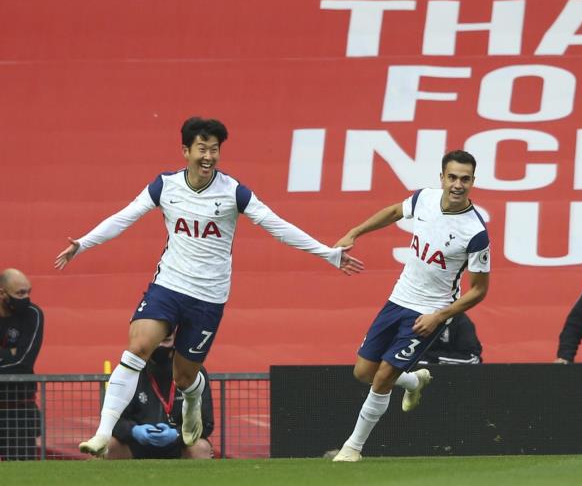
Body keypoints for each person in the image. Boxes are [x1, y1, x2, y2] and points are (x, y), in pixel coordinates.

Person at [54, 117, 364, 457]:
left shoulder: (234, 192)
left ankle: (191, 400)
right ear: (186, 151)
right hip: (168, 285)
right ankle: (102, 432)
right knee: (138, 347)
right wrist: (83, 243)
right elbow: (124, 217)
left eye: (214, 150)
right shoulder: (164, 186)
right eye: (202, 149)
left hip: (208, 297)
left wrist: (328, 254)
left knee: (185, 377)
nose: (208, 156)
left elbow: (277, 226)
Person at [331, 150, 490, 462]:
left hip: (430, 311)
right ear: (442, 177)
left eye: (465, 179)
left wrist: (439, 316)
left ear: (473, 181)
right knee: (363, 371)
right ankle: (415, 380)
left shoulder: (476, 232)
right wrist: (355, 232)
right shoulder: (425, 199)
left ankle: (352, 448)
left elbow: (479, 291)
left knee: (382, 378)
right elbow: (393, 212)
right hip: (398, 298)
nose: (458, 184)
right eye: (453, 177)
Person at [106, 335, 214, 459]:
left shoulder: (193, 371)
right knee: (107, 446)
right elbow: (112, 421)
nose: (161, 345)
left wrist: (177, 434)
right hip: (137, 443)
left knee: (201, 447)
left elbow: (206, 423)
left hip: (179, 444)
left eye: (166, 339)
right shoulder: (128, 371)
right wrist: (134, 431)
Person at [0, 269, 44, 460]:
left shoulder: (33, 314)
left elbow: (23, 363)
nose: (26, 298)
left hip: (20, 412)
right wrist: (9, 353)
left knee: (23, 471)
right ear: (2, 293)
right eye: (19, 294)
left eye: (28, 292)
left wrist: (13, 356)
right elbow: (14, 360)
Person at [418, 312, 483, 365]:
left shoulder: (460, 320)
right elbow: (408, 357)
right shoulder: (414, 316)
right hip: (418, 375)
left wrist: (431, 360)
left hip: (455, 375)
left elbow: (472, 360)